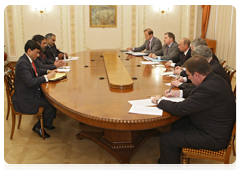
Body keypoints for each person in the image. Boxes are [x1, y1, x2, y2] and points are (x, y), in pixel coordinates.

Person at [152, 55, 236, 170]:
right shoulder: (214, 78)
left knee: (167, 139)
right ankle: (169, 159)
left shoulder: (207, 89)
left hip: (214, 137)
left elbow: (179, 109)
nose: (189, 78)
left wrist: (159, 101)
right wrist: (179, 94)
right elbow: (196, 90)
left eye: (190, 76)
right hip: (215, 126)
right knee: (178, 124)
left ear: (197, 74)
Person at [12, 40, 57, 138]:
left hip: (30, 92)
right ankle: (38, 127)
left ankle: (46, 123)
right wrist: (47, 77)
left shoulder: (27, 60)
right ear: (29, 50)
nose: (38, 55)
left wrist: (48, 71)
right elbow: (30, 82)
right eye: (36, 53)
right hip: (25, 97)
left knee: (52, 100)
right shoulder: (22, 63)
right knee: (51, 103)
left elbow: (36, 71)